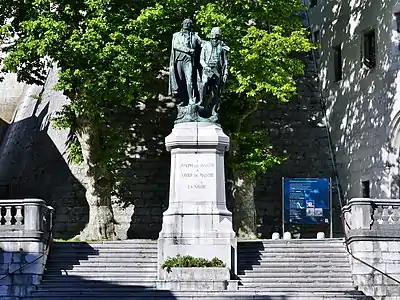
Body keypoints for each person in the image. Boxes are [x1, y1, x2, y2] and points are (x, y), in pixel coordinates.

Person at [168, 18, 202, 106]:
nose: (186, 24)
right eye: (185, 23)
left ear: (191, 25)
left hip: (188, 61)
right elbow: (175, 45)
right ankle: (184, 100)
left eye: (188, 23)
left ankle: (191, 99)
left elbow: (202, 44)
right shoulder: (176, 35)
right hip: (179, 60)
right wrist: (188, 50)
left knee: (189, 79)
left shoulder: (194, 36)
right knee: (181, 81)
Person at [200, 27, 229, 114]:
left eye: (216, 37)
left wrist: (225, 73)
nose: (214, 39)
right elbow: (201, 59)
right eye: (213, 37)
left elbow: (225, 61)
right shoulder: (205, 45)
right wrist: (205, 66)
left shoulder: (222, 47)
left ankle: (213, 110)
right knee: (204, 84)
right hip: (207, 68)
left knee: (216, 90)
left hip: (217, 69)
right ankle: (202, 102)